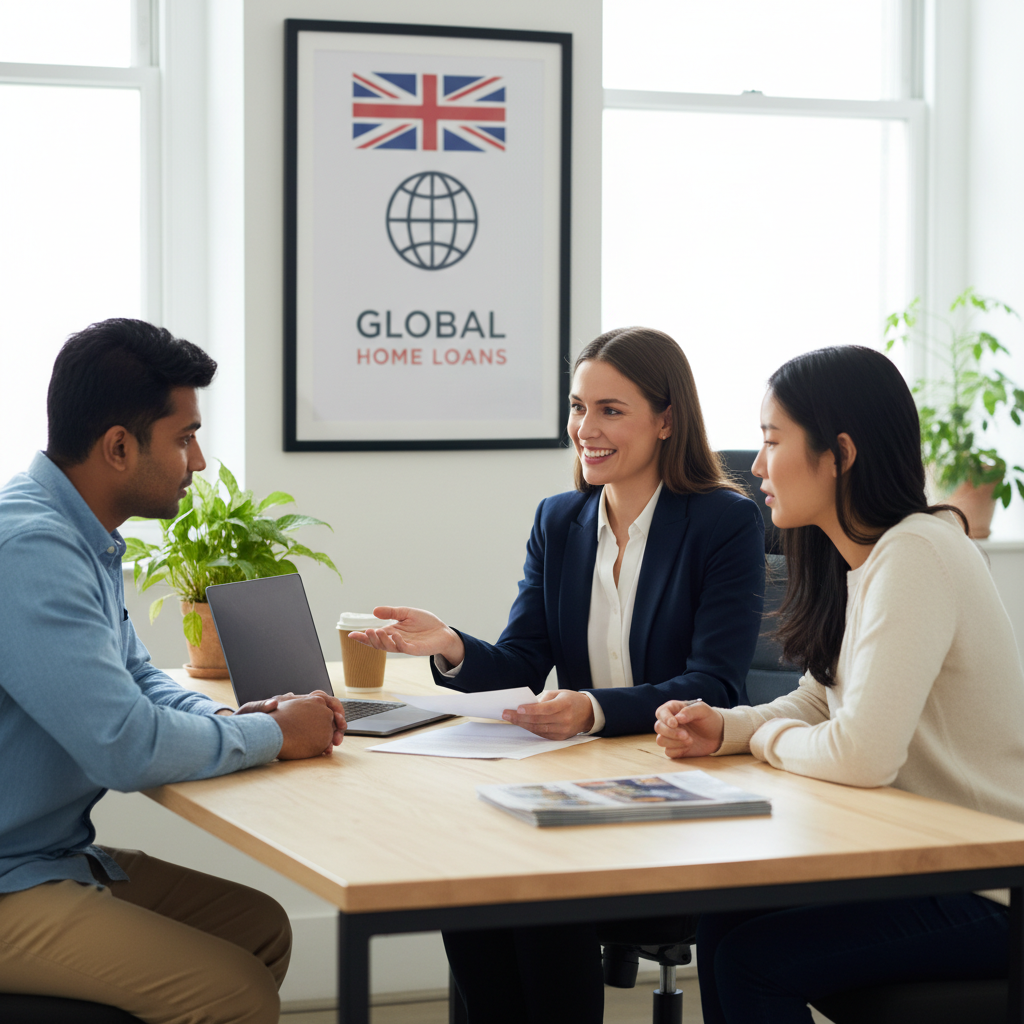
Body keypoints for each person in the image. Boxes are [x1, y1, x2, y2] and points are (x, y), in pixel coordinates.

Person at [354, 326, 767, 1023]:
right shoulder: (560, 520)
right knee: (472, 868)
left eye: (610, 409)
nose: (586, 428)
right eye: (578, 407)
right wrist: (453, 644)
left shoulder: (723, 522)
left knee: (535, 886)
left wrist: (592, 710)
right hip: (582, 782)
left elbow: (716, 686)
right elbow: (521, 660)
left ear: (667, 420)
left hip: (682, 784)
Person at [654, 344, 1024, 1024]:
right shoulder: (857, 558)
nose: (757, 466)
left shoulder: (917, 552)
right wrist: (728, 726)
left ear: (841, 453)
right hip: (926, 866)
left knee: (750, 958)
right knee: (726, 919)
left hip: (992, 888)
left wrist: (764, 738)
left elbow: (862, 754)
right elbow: (821, 699)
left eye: (772, 442)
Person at [0, 319, 347, 1024]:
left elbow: (136, 678)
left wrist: (233, 721)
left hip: (47, 856)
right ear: (119, 447)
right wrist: (275, 737)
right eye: (184, 437)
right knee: (233, 992)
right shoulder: (31, 549)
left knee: (258, 927)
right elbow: (124, 746)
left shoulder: (76, 533)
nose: (199, 461)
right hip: (11, 881)